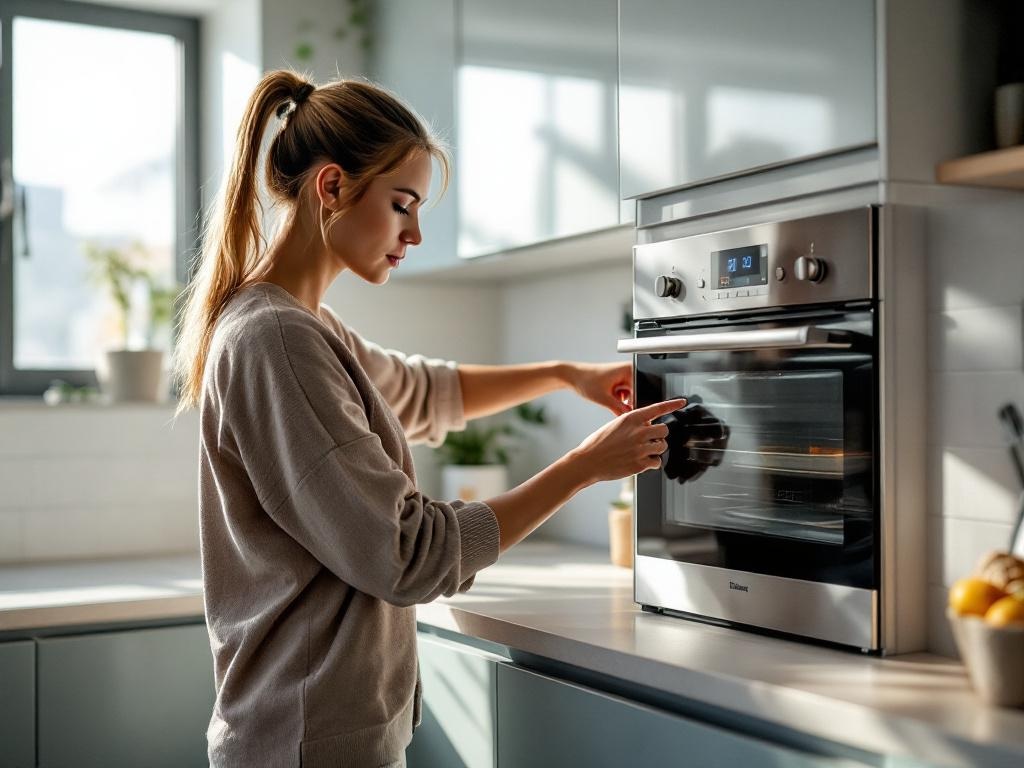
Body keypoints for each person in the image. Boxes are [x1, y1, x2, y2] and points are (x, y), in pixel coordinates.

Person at [173, 69, 682, 768]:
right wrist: (584, 467)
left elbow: (422, 392)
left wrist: (568, 375)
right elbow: (408, 556)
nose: (414, 232)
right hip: (306, 742)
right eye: (402, 203)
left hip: (310, 734)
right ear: (331, 188)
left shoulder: (304, 327)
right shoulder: (278, 339)